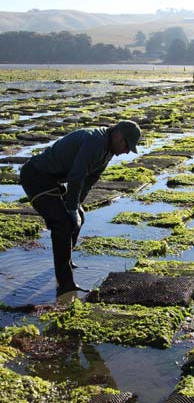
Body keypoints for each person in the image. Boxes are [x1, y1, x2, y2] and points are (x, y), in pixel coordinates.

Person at [20, 120, 141, 296]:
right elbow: (77, 176)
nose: (127, 151)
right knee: (62, 224)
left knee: (79, 217)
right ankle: (66, 285)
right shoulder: (95, 142)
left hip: (51, 180)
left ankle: (65, 259)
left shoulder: (108, 149)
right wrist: (70, 209)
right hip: (36, 177)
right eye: (127, 145)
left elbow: (90, 179)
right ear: (117, 135)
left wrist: (76, 207)